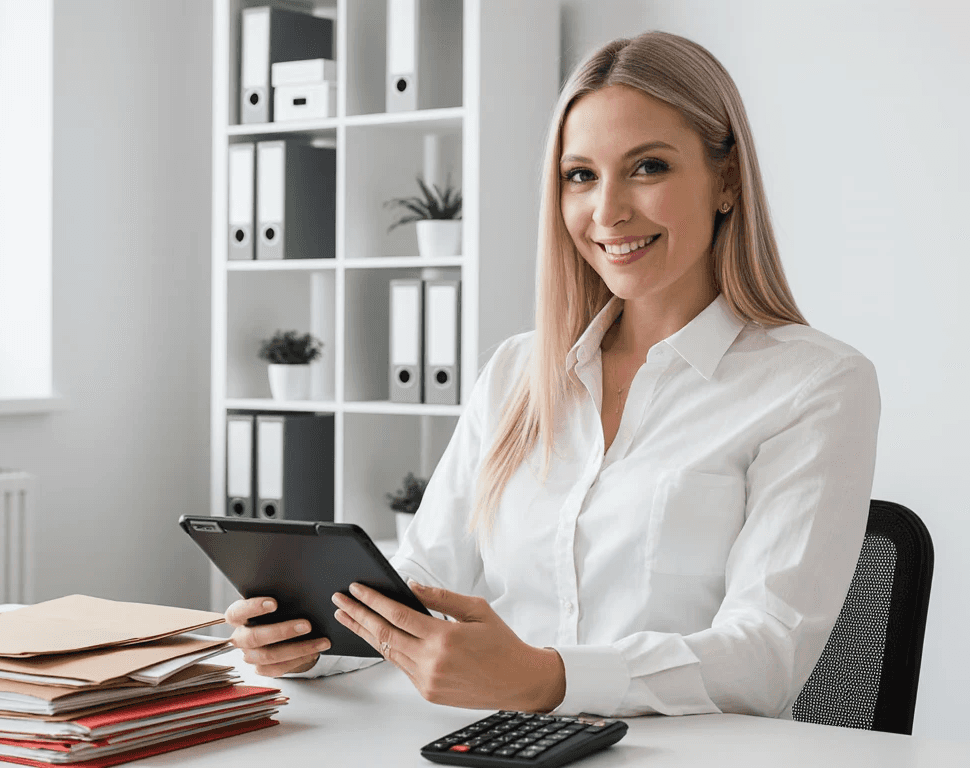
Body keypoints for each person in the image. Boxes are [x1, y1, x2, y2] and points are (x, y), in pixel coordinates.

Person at [226, 31, 880, 719]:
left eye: (648, 167)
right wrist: (312, 639)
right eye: (580, 176)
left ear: (726, 180)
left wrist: (549, 679)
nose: (607, 211)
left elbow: (764, 656)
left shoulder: (814, 384)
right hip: (497, 743)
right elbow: (423, 578)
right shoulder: (518, 370)